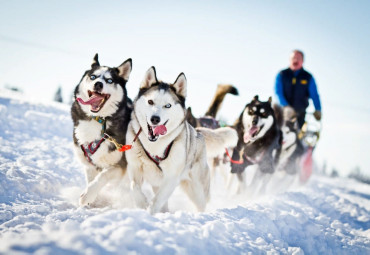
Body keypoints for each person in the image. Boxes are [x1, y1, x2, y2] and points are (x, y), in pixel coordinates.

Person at [275, 50, 322, 129]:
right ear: (290, 60)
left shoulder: (308, 77)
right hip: (282, 113)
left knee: (297, 135)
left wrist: (318, 109)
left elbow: (314, 95)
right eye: (293, 58)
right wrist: (286, 106)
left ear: (302, 61)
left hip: (300, 114)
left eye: (298, 58)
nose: (296, 60)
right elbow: (278, 92)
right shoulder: (282, 74)